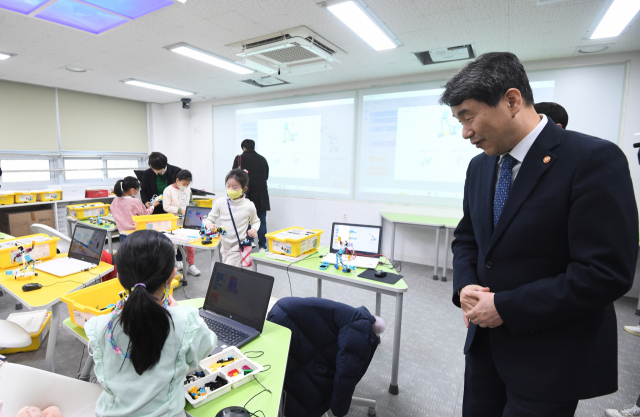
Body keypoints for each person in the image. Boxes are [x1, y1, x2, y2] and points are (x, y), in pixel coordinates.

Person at [439, 52, 638, 417]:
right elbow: (468, 238)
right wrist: (464, 286)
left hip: (550, 357)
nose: (465, 132)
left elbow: (605, 273)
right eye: (458, 121)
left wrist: (506, 306)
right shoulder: (480, 166)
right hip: (485, 348)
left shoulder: (592, 159)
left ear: (512, 101)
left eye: (468, 116)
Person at [85, 230, 217, 417]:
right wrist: (178, 311)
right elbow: (205, 347)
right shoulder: (185, 321)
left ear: (119, 277)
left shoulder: (99, 326)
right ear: (172, 276)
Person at [203, 169, 259, 267]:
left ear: (244, 189)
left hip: (237, 248)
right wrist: (208, 224)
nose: (230, 189)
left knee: (227, 273)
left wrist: (254, 229)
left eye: (234, 187)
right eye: (228, 186)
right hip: (224, 247)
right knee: (232, 278)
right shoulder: (220, 202)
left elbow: (256, 221)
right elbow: (209, 218)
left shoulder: (249, 205)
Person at [232, 139, 270, 252]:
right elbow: (266, 176)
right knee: (261, 220)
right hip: (261, 194)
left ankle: (249, 241)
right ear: (254, 147)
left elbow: (234, 177)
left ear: (243, 148)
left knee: (246, 219)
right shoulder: (262, 159)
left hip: (246, 194)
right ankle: (262, 246)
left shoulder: (239, 158)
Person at [163, 169, 200, 276]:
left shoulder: (188, 189)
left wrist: (192, 210)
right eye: (184, 184)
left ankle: (191, 265)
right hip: (174, 222)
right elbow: (166, 207)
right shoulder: (168, 190)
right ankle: (173, 269)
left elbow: (191, 202)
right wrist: (180, 210)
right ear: (177, 180)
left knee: (190, 244)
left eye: (188, 184)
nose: (185, 186)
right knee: (173, 247)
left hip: (187, 222)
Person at [110, 176, 160, 245]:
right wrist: (153, 206)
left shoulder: (115, 200)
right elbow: (145, 215)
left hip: (122, 234)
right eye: (137, 189)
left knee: (126, 254)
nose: (137, 191)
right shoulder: (135, 202)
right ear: (132, 190)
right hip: (135, 235)